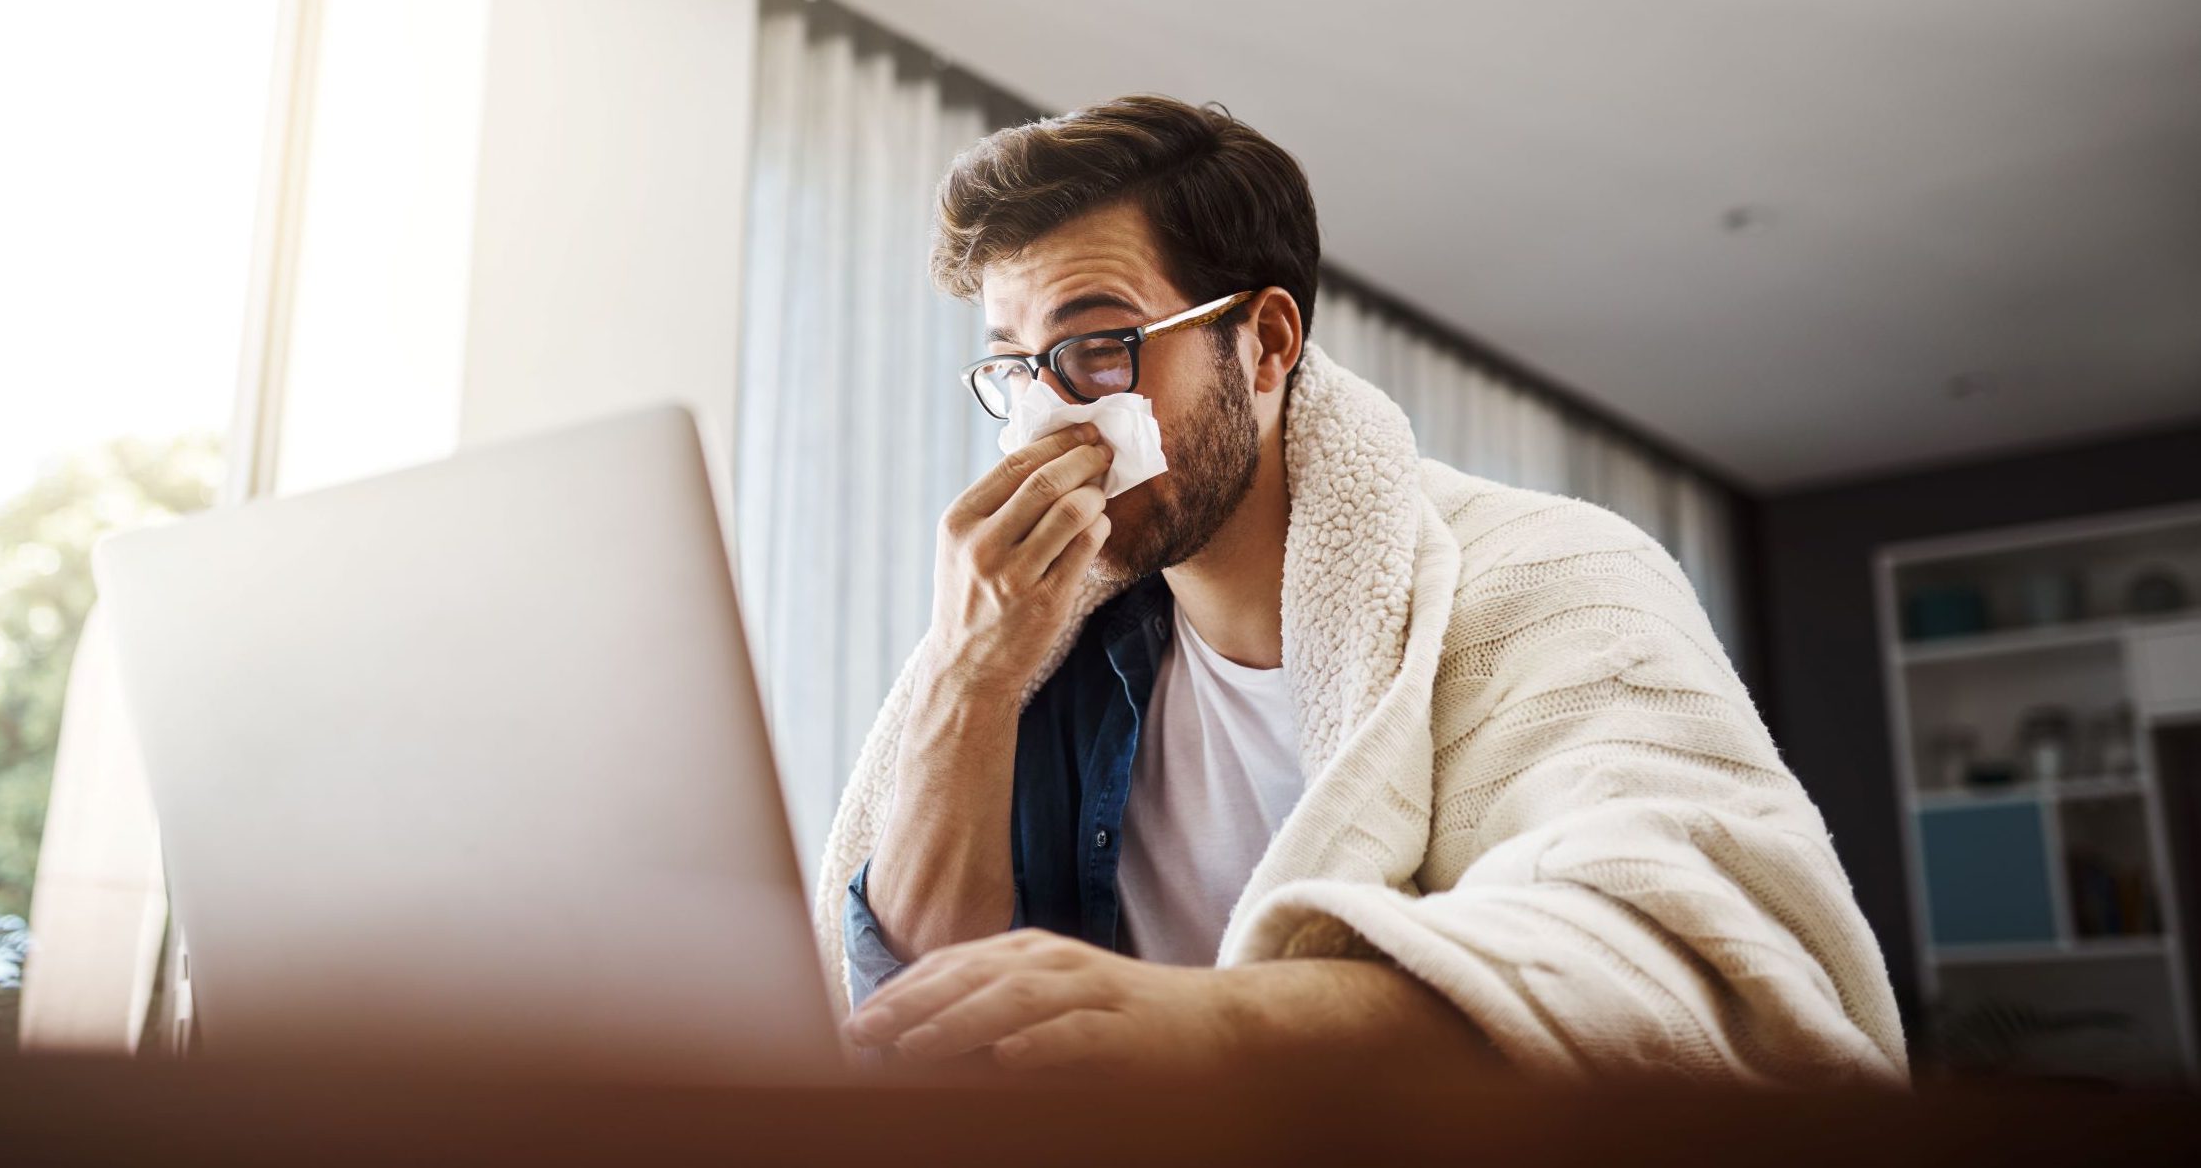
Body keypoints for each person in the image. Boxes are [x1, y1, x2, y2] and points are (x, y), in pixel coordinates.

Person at [812, 94, 1905, 1085]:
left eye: (1100, 346)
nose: (1048, 418)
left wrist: (1219, 1024)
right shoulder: (1044, 649)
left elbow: (1675, 943)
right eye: (1017, 367)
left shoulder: (1556, 579)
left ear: (1267, 343)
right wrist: (971, 675)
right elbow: (913, 1010)